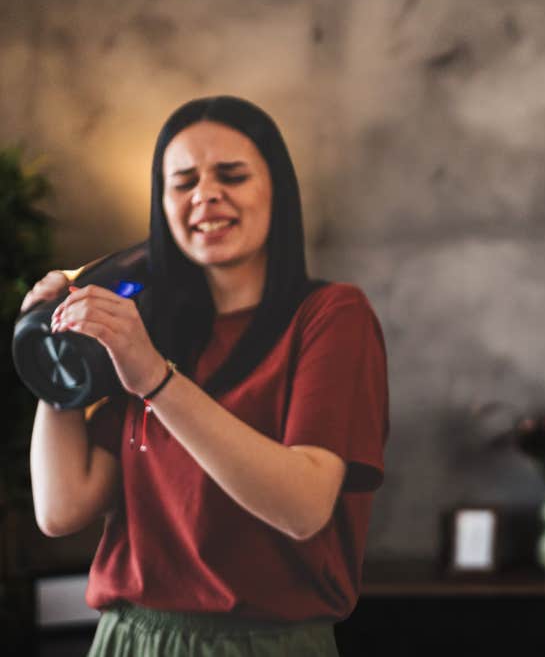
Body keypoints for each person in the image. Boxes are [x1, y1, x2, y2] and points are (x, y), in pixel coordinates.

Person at [22, 95, 389, 656]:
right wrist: (59, 350)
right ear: (162, 205)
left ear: (278, 191)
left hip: (263, 644)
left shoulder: (331, 316)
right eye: (183, 181)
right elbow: (61, 506)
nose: (205, 195)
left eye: (232, 176)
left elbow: (304, 508)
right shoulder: (153, 326)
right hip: (129, 639)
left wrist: (156, 381)